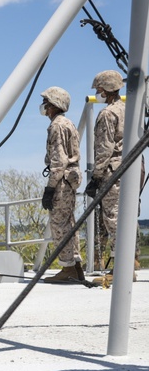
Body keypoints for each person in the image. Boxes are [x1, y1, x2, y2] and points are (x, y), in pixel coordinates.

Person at [86, 69, 132, 271]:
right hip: (129, 168)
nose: (97, 92)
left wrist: (96, 177)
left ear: (105, 90)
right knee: (126, 215)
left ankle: (121, 268)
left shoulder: (107, 113)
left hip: (112, 171)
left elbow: (104, 148)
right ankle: (129, 261)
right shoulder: (127, 110)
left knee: (113, 218)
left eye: (98, 89)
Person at [38, 87, 84, 284]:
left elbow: (58, 160)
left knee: (59, 224)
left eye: (47, 103)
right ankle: (75, 266)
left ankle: (68, 268)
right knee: (68, 223)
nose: (44, 107)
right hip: (69, 179)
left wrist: (50, 188)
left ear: (54, 105)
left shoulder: (57, 126)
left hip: (62, 180)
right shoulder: (68, 123)